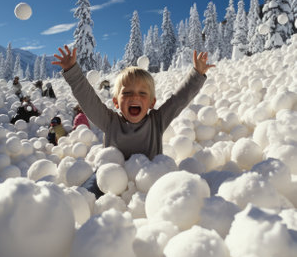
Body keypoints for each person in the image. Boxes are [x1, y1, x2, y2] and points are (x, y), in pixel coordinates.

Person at [52, 45, 214, 197]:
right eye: (127, 93)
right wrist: (72, 71)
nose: (135, 96)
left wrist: (197, 74)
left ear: (151, 102)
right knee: (84, 195)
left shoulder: (157, 121)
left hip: (147, 179)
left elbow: (179, 99)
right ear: (116, 102)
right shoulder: (110, 121)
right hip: (111, 180)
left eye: (142, 93)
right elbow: (88, 100)